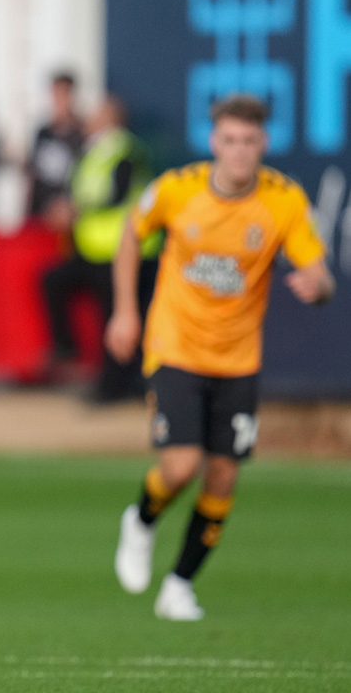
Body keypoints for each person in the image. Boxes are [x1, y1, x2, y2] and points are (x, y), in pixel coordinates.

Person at [107, 95, 334, 620]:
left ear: (264, 144)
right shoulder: (177, 189)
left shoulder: (283, 202)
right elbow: (130, 234)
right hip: (176, 346)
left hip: (237, 358)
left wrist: (316, 286)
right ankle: (141, 519)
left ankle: (179, 585)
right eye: (229, 140)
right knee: (181, 465)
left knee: (224, 477)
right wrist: (124, 312)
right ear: (214, 143)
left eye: (248, 141)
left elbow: (319, 273)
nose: (238, 152)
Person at [41, 95, 157, 402]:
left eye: (96, 112)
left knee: (117, 319)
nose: (89, 117)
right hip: (92, 250)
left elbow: (117, 193)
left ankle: (115, 387)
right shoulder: (90, 150)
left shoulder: (125, 149)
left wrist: (75, 209)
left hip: (123, 251)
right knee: (53, 281)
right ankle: (66, 347)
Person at [26, 71, 84, 218]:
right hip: (40, 214)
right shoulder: (43, 133)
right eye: (56, 94)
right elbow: (34, 175)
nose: (59, 100)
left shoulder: (81, 134)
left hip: (66, 216)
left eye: (64, 94)